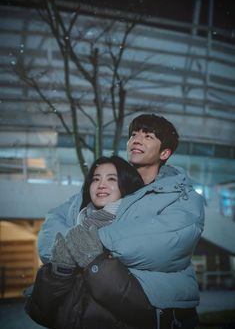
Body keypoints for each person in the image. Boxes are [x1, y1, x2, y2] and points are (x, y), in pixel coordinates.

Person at [36, 114, 205, 328]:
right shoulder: (110, 187)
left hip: (155, 308)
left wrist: (94, 243)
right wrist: (63, 255)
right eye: (133, 134)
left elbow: (168, 241)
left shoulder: (181, 195)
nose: (136, 139)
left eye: (148, 136)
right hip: (96, 307)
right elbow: (55, 220)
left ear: (165, 153)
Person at [25, 156, 156, 329]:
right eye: (96, 179)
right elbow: (40, 313)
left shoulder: (137, 231)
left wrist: (95, 264)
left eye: (111, 179)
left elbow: (144, 314)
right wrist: (59, 272)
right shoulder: (75, 226)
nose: (101, 184)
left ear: (126, 185)